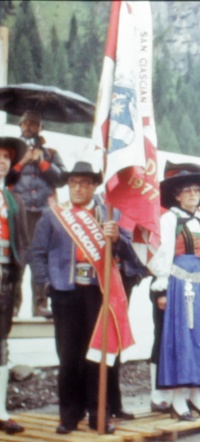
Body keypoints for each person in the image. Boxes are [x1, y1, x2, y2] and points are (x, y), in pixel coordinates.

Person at [30, 162, 139, 434]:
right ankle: (69, 414)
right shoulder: (53, 215)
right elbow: (37, 253)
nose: (78, 188)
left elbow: (129, 255)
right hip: (65, 294)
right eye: (73, 183)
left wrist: (118, 239)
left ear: (93, 186)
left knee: (98, 355)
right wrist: (45, 285)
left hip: (98, 293)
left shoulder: (108, 214)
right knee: (68, 356)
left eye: (84, 183)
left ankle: (98, 414)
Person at [148, 167, 200, 421]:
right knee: (183, 338)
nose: (193, 194)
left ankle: (196, 394)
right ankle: (178, 400)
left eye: (197, 191)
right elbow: (163, 253)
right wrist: (162, 288)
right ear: (178, 195)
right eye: (188, 191)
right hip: (180, 283)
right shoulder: (170, 219)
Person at [10, 110, 66, 318]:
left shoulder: (51, 153)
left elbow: (62, 179)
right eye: (26, 122)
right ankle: (12, 305)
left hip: (44, 214)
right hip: (18, 212)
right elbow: (4, 177)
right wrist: (22, 162)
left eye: (34, 123)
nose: (29, 126)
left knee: (40, 259)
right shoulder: (12, 150)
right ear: (19, 124)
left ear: (41, 127)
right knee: (17, 259)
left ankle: (40, 304)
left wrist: (42, 163)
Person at [0, 138, 29, 435]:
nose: (2, 160)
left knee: (1, 343)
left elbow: (22, 246)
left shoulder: (14, 200)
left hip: (4, 278)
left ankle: (1, 411)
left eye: (6, 156)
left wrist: (16, 281)